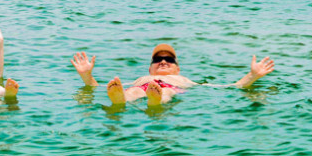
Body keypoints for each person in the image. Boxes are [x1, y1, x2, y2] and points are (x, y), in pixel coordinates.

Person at [70, 44, 273, 106]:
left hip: (169, 89)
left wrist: (252, 76)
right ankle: (121, 99)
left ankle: (156, 101)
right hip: (142, 88)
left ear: (177, 68)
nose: (163, 62)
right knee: (130, 91)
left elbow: (231, 88)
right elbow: (95, 87)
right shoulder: (142, 79)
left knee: (166, 93)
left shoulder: (184, 80)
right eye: (157, 60)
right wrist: (86, 76)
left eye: (170, 60)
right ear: (150, 68)